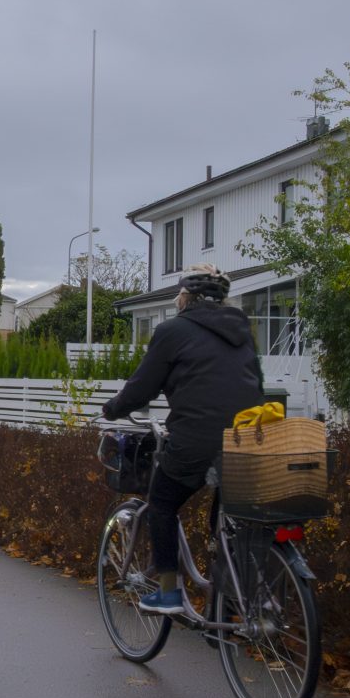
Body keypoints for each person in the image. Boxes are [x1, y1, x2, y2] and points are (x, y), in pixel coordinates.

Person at [101, 263, 264, 614]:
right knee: (228, 521)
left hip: (196, 438)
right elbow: (254, 385)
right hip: (247, 438)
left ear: (185, 297)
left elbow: (141, 388)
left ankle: (169, 593)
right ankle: (227, 605)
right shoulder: (243, 331)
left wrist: (112, 408)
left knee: (161, 503)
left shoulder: (172, 331)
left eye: (179, 292)